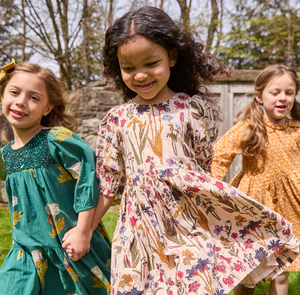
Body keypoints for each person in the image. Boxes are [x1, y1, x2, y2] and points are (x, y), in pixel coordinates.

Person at [65, 7, 300, 294]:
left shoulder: (193, 110)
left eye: (151, 63)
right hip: (139, 231)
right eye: (129, 68)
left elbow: (202, 168)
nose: (140, 75)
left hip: (188, 227)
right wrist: (84, 230)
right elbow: (110, 182)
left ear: (172, 57)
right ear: (118, 67)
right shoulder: (117, 118)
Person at [0, 60, 111, 295]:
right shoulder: (6, 153)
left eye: (34, 97)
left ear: (48, 108)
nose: (21, 101)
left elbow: (88, 178)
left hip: (69, 246)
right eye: (15, 92)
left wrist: (82, 231)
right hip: (25, 250)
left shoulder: (56, 139)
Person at [211, 64, 300, 295]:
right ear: (259, 96)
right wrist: (212, 189)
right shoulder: (249, 128)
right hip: (256, 207)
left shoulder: (297, 130)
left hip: (289, 209)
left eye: (289, 93)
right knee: (249, 274)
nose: (283, 98)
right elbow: (220, 156)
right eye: (275, 92)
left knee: (281, 272)